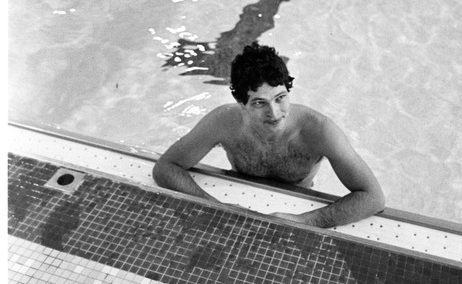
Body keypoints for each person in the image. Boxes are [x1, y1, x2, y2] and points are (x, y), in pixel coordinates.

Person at [153, 43, 385, 228]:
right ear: (241, 104)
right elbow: (166, 167)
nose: (274, 113)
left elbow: (373, 197)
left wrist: (307, 221)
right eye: (259, 103)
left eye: (280, 98)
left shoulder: (319, 131)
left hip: (297, 207)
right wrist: (216, 207)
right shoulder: (224, 122)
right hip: (239, 202)